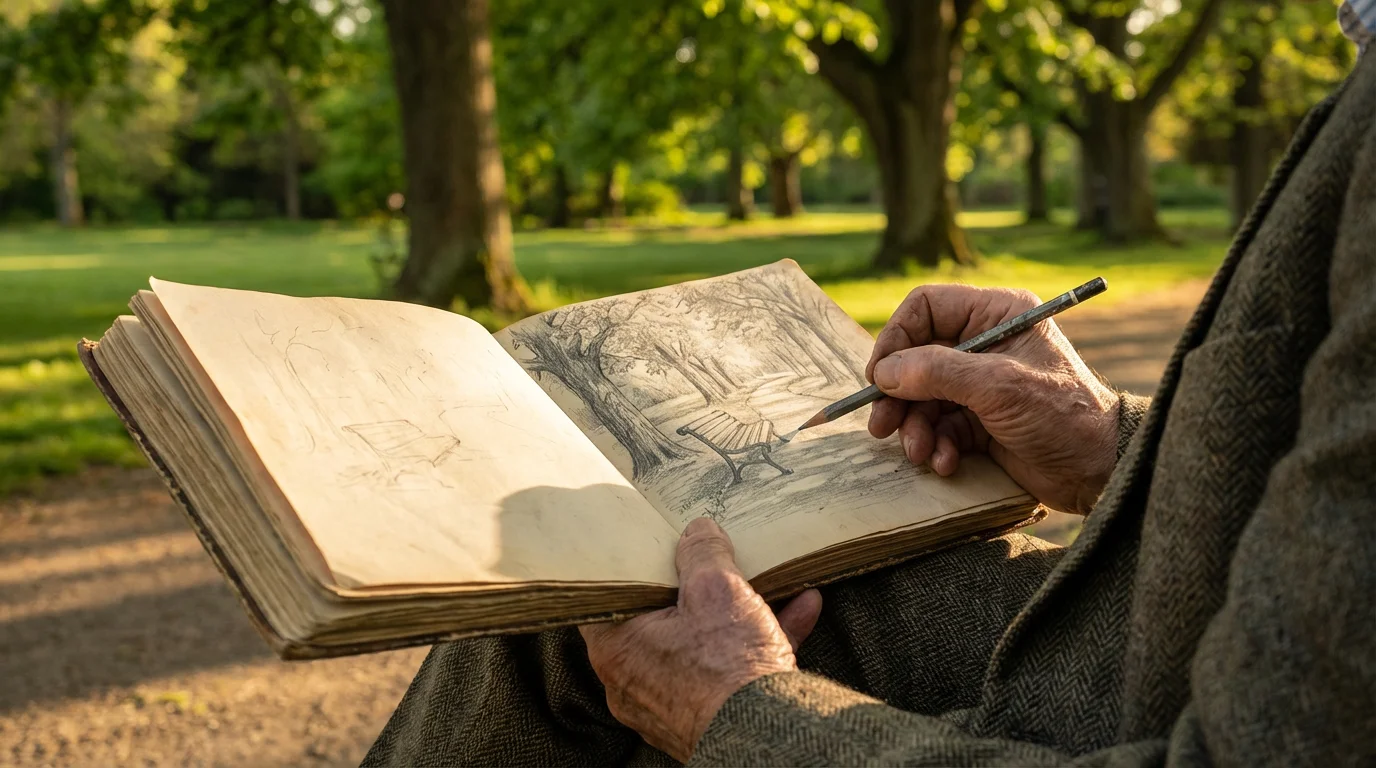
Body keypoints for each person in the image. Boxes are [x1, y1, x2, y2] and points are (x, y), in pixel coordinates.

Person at [364, 14, 1376, 767]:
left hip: (1151, 692)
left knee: (622, 612)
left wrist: (741, 717)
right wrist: (1111, 444)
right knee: (575, 604)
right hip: (1174, 623)